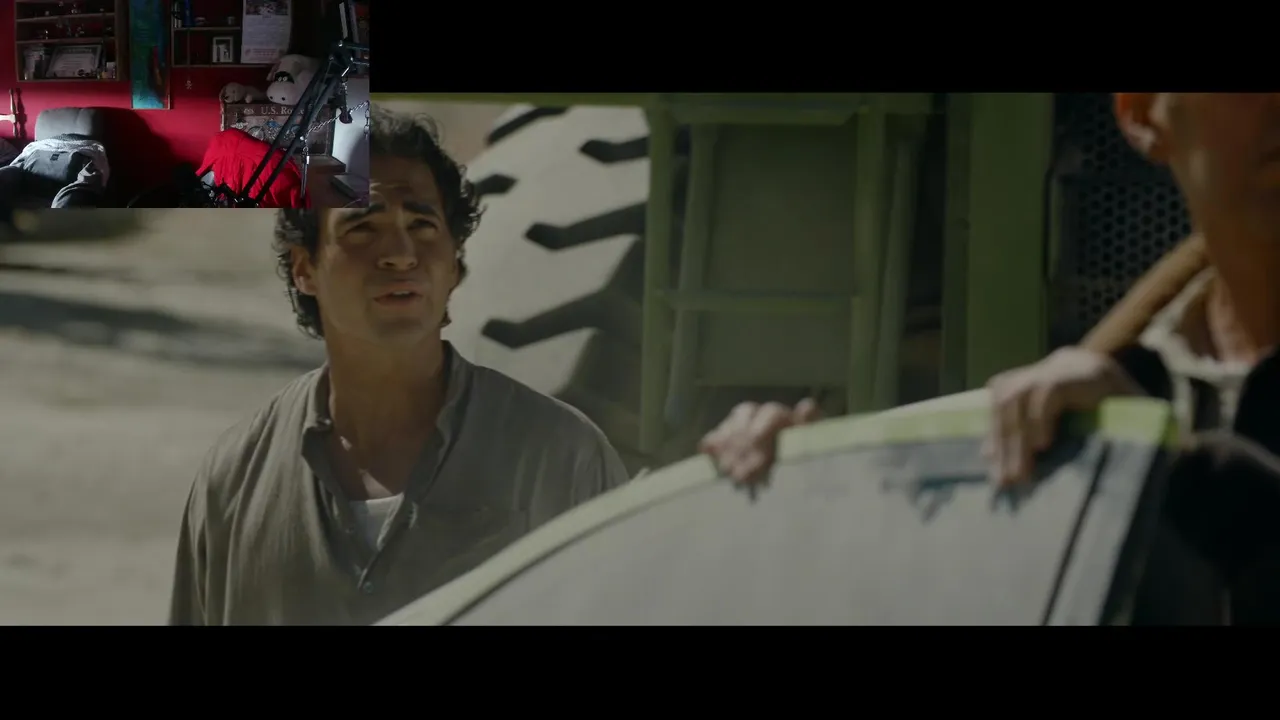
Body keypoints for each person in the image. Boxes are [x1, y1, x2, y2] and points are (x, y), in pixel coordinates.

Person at [168, 105, 631, 626]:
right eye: (363, 227)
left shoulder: (561, 459)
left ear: (454, 265)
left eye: (422, 225)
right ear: (305, 268)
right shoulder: (236, 478)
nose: (401, 254)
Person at [700, 93, 1280, 488]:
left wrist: (1160, 475)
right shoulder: (1132, 386)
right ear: (1140, 114)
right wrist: (814, 487)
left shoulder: (1129, 416)